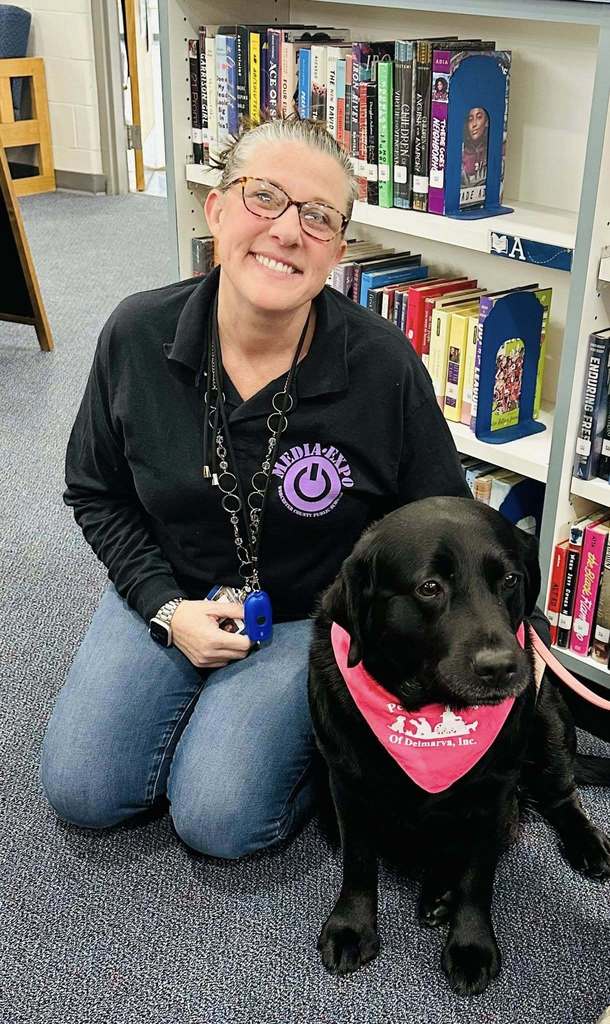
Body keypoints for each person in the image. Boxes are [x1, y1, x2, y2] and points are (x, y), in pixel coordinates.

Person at [40, 115, 549, 861]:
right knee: (84, 791)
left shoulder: (382, 365)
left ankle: (321, 749)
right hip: (170, 584)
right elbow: (95, 491)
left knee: (220, 821)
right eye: (264, 197)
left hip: (309, 615)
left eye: (317, 216)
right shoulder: (136, 333)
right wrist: (165, 607)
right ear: (217, 208)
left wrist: (499, 631)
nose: (286, 231)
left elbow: (447, 527)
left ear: (338, 249)